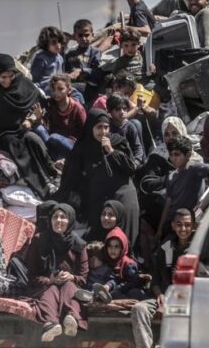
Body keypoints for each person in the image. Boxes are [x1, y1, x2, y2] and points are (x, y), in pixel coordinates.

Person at [53, 109, 140, 259]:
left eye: (106, 127)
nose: (103, 132)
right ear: (90, 127)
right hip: (99, 198)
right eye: (99, 127)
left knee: (124, 237)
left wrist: (111, 151)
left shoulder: (118, 142)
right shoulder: (83, 149)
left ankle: (127, 266)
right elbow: (70, 178)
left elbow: (130, 169)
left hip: (122, 194)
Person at [0, 54, 58, 198]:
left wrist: (30, 120)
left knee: (33, 140)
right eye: (3, 77)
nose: (7, 81)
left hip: (20, 130)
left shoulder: (21, 83)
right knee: (15, 144)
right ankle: (42, 187)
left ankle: (51, 177)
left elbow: (38, 102)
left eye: (10, 76)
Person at [132, 208, 196, 348]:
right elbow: (156, 280)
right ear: (174, 225)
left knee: (176, 314)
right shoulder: (165, 247)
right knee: (139, 309)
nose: (183, 229)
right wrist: (160, 296)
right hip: (164, 297)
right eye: (180, 225)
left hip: (187, 299)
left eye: (188, 225)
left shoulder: (198, 248)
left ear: (194, 226)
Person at [26, 203, 89, 342]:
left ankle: (69, 318)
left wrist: (71, 276)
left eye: (63, 217)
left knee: (69, 286)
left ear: (70, 220)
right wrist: (50, 280)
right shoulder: (39, 240)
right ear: (50, 220)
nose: (58, 220)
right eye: (55, 217)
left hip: (69, 288)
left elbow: (83, 277)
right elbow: (31, 274)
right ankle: (52, 324)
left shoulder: (79, 245)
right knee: (52, 289)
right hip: (45, 286)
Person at [157, 136, 209, 238]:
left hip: (189, 223)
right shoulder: (171, 176)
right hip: (174, 223)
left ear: (188, 155)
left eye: (177, 154)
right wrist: (160, 228)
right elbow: (168, 204)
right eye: (171, 155)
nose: (173, 158)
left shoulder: (195, 169)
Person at [76, 227, 145, 303]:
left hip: (126, 291)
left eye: (116, 247)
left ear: (122, 248)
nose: (113, 250)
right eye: (110, 246)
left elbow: (133, 282)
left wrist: (113, 287)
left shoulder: (128, 263)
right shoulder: (107, 260)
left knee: (121, 293)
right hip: (108, 290)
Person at [34, 73, 87, 161]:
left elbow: (85, 133)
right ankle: (53, 157)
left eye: (60, 89)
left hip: (70, 145)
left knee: (54, 137)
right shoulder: (50, 104)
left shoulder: (78, 108)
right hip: (52, 142)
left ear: (69, 90)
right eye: (53, 89)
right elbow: (46, 128)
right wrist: (39, 118)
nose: (56, 93)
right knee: (38, 128)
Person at [65, 18, 102, 100]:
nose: (84, 38)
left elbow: (98, 71)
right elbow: (65, 71)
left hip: (89, 87)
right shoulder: (69, 54)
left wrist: (81, 70)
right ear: (75, 36)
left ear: (92, 35)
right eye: (80, 35)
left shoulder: (95, 52)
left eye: (86, 35)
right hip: (72, 87)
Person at [107, 94, 145, 166]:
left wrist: (136, 163)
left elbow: (138, 148)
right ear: (110, 111)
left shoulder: (130, 126)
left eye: (124, 109)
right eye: (118, 109)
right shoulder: (107, 127)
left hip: (130, 162)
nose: (122, 112)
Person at [31, 26, 67, 92]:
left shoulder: (60, 57)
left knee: (77, 93)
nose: (58, 45)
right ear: (46, 43)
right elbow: (35, 80)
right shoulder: (41, 59)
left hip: (60, 85)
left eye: (59, 41)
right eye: (54, 42)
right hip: (46, 87)